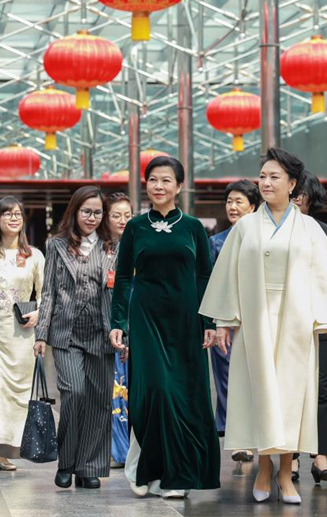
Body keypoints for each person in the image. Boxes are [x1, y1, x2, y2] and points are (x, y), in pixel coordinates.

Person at [200, 147, 327, 505]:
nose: (267, 182)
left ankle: (286, 472)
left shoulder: (309, 229)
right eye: (264, 176)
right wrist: (224, 322)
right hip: (255, 322)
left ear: (292, 184)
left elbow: (324, 277)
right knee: (259, 396)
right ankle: (263, 466)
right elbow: (227, 276)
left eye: (275, 177)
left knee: (291, 398)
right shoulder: (244, 228)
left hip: (297, 324)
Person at [110, 156, 220, 499]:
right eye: (153, 180)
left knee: (183, 396)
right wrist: (118, 323)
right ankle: (144, 469)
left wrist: (209, 321)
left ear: (179, 186)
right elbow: (124, 277)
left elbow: (205, 275)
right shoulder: (135, 228)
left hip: (186, 321)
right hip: (146, 321)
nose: (159, 186)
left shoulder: (192, 228)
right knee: (152, 392)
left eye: (166, 180)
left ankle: (178, 475)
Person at [34, 185, 116, 490]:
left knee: (98, 401)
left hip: (101, 333)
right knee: (75, 394)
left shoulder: (112, 247)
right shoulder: (56, 245)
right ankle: (66, 462)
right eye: (86, 211)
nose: (92, 218)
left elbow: (119, 294)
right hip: (66, 334)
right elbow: (49, 292)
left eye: (97, 212)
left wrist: (122, 331)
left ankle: (89, 467)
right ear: (75, 212)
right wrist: (41, 334)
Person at [0, 197, 44, 472]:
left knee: (16, 395)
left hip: (21, 338)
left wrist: (39, 314)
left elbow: (46, 293)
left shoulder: (34, 256)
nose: (13, 218)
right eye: (7, 214)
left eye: (18, 214)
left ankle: (4, 452)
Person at [291, 170, 327, 484]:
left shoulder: (324, 232)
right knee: (291, 391)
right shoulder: (271, 232)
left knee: (322, 390)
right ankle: (291, 458)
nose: (296, 203)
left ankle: (321, 456)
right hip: (285, 322)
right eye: (293, 196)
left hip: (318, 323)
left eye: (301, 198)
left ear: (310, 200)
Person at [208, 179, 260, 463]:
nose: (233, 206)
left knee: (256, 378)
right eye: (229, 201)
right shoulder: (215, 242)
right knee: (228, 381)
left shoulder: (264, 240)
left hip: (258, 320)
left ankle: (258, 433)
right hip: (226, 323)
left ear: (253, 206)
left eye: (239, 201)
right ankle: (239, 439)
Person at [105, 192, 133, 468]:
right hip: (106, 324)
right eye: (116, 215)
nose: (123, 220)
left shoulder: (138, 246)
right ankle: (116, 449)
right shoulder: (100, 249)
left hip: (132, 324)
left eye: (127, 215)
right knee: (114, 388)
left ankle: (128, 448)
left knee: (127, 388)